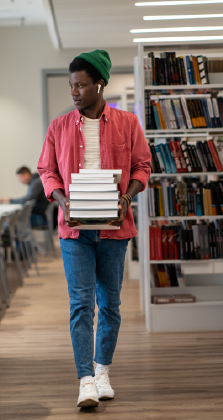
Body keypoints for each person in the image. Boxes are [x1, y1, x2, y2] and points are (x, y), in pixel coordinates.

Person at [37, 50, 151, 408]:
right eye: (72, 86)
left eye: (81, 85)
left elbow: (142, 166)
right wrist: (62, 200)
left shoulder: (128, 124)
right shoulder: (58, 127)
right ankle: (85, 379)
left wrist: (127, 197)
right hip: (75, 232)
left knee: (111, 305)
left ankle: (103, 370)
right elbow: (47, 171)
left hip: (115, 230)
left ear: (100, 84)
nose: (74, 92)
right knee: (81, 305)